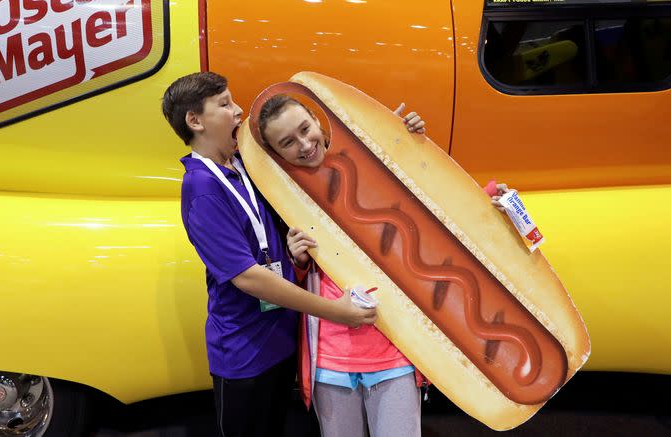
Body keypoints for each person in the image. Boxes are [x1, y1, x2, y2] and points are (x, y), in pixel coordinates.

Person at [257, 94, 508, 437]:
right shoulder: (280, 198)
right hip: (331, 362)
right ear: (276, 153)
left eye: (305, 128)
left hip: (393, 350)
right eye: (288, 142)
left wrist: (411, 145)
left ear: (318, 120)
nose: (304, 144)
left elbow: (435, 217)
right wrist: (298, 261)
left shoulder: (378, 159)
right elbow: (283, 284)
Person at [161, 72, 377, 437]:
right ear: (195, 121)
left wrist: (406, 135)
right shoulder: (201, 188)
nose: (238, 111)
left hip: (280, 341)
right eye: (225, 104)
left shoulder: (245, 164)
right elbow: (248, 277)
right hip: (244, 354)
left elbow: (320, 156)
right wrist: (336, 311)